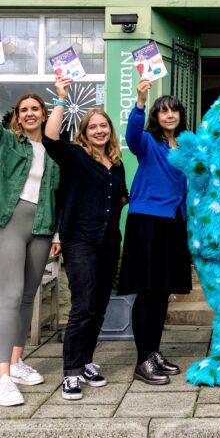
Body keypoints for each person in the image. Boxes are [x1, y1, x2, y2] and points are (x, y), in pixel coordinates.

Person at [0, 56, 61, 407]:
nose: (29, 114)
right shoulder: (7, 142)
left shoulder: (53, 152)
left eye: (35, 108)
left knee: (28, 297)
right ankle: (2, 376)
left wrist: (55, 234)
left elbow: (57, 194)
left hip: (42, 226)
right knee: (10, 297)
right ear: (17, 116)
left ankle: (18, 360)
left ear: (43, 113)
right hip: (10, 221)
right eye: (24, 109)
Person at [44, 76, 127, 400]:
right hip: (79, 239)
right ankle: (71, 372)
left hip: (108, 241)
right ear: (85, 131)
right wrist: (62, 98)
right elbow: (50, 140)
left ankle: (87, 360)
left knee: (100, 305)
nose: (99, 131)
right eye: (93, 127)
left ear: (109, 131)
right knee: (83, 305)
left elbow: (117, 196)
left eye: (103, 126)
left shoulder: (116, 164)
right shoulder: (75, 156)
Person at [117, 78, 191, 385]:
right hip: (148, 220)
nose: (170, 115)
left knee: (162, 292)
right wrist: (140, 100)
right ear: (156, 117)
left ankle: (154, 352)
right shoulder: (148, 142)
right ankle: (142, 360)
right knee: (148, 291)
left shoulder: (187, 146)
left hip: (174, 222)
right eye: (164, 111)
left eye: (174, 111)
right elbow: (131, 136)